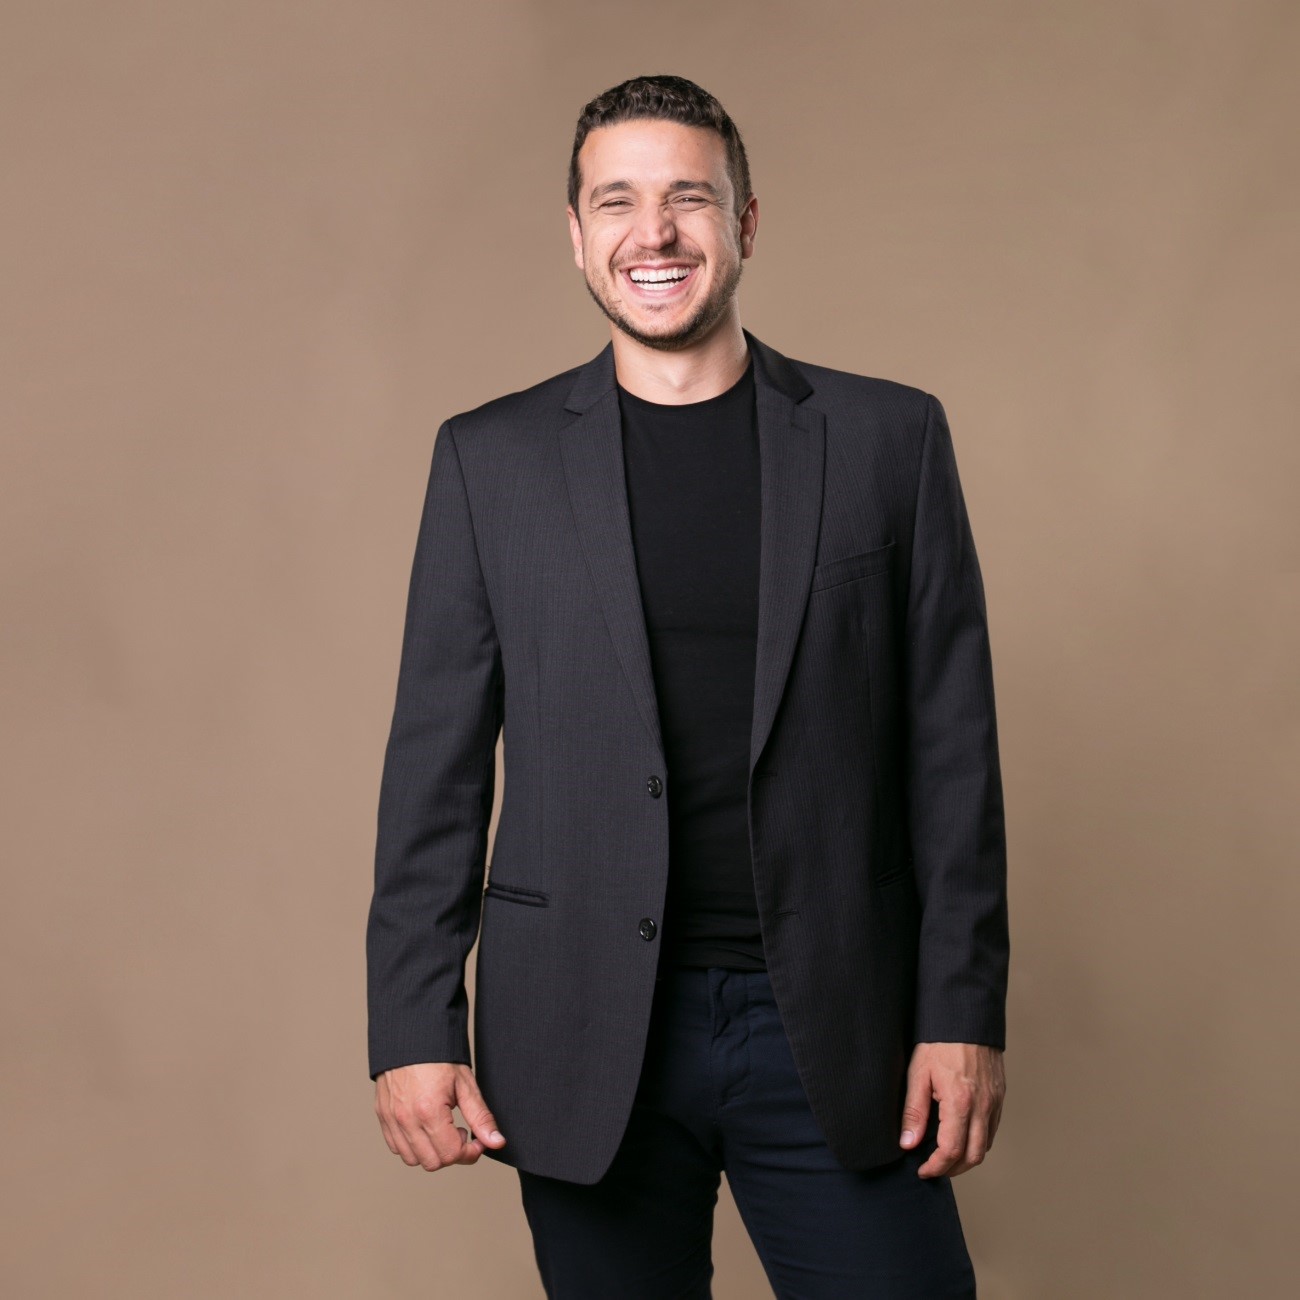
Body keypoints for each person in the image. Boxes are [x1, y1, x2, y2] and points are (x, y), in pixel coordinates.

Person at [366, 74, 1008, 1298]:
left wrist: (960, 1009)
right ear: (575, 231)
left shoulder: (888, 441)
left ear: (745, 221)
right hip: (583, 1029)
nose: (651, 234)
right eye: (617, 202)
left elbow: (951, 754)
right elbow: (434, 770)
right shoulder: (487, 460)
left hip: (838, 1020)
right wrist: (410, 1028)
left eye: (687, 199)